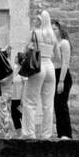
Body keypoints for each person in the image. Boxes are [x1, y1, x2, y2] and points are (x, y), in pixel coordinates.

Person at [21, 10, 57, 139]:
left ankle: (29, 133)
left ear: (40, 20)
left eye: (36, 19)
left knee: (30, 101)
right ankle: (46, 134)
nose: (34, 21)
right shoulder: (52, 35)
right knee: (48, 104)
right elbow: (56, 55)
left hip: (37, 66)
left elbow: (25, 50)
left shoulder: (34, 32)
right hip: (50, 67)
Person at [53, 20, 73, 140]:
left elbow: (65, 63)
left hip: (63, 75)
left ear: (60, 30)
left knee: (62, 104)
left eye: (55, 29)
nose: (53, 31)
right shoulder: (53, 44)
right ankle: (60, 133)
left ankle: (66, 133)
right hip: (54, 74)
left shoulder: (64, 43)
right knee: (56, 106)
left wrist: (61, 81)